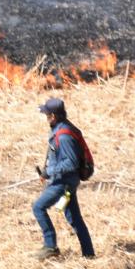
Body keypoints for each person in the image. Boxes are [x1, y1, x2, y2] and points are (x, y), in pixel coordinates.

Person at [32, 97, 95, 259]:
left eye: (47, 114)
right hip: (65, 181)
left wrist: (49, 171)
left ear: (54, 116)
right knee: (74, 218)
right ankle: (89, 254)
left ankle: (50, 246)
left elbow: (71, 162)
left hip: (64, 182)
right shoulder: (60, 128)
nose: (45, 117)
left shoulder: (64, 135)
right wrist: (48, 172)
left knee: (38, 207)